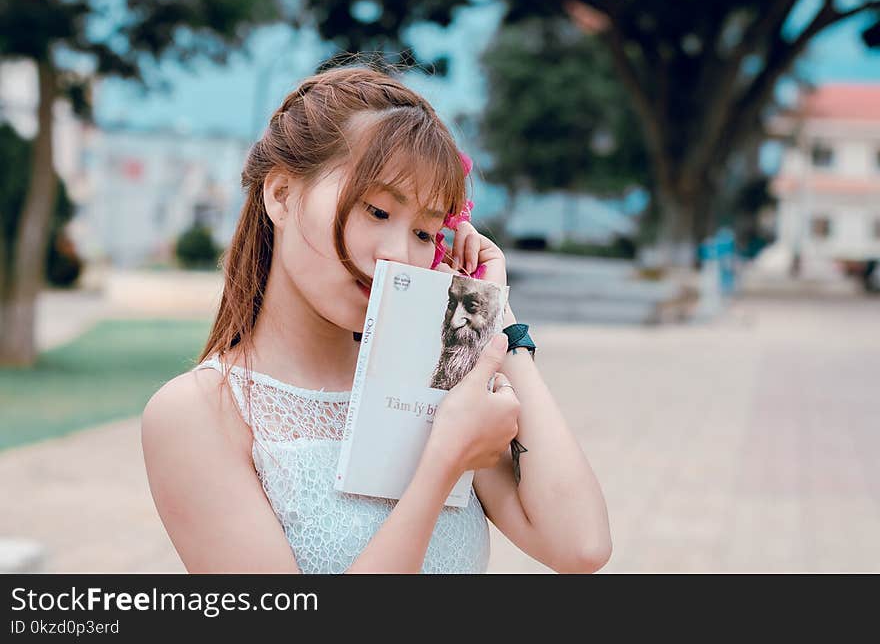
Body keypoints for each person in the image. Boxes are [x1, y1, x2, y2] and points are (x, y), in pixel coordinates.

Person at [141, 66, 611, 574]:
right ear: (280, 194)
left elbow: (580, 545)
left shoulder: (435, 385)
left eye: (427, 232)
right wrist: (442, 463)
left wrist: (494, 317)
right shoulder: (199, 414)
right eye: (377, 212)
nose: (399, 256)